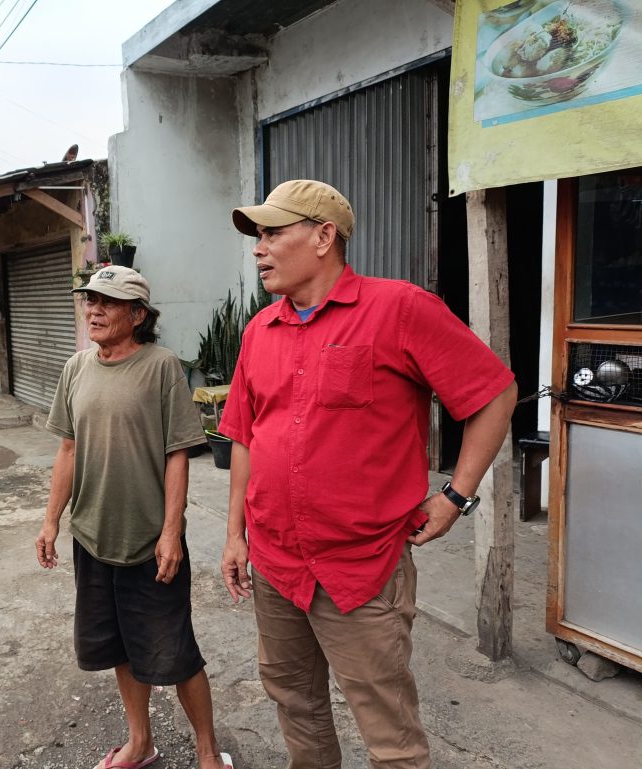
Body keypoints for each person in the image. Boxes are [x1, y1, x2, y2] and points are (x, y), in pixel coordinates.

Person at [219, 180, 517, 769]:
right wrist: (234, 534)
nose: (259, 247)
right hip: (277, 563)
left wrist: (456, 496)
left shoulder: (398, 309)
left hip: (360, 568)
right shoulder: (260, 330)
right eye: (258, 235)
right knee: (294, 701)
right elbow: (245, 436)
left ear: (324, 236)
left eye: (274, 232)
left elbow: (494, 394)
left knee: (388, 730)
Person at [36, 265, 233, 769]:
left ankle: (209, 752)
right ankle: (140, 742)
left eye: (107, 302)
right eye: (90, 300)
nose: (93, 310)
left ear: (138, 314)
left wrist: (172, 532)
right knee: (119, 645)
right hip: (94, 536)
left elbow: (178, 454)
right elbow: (68, 448)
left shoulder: (162, 366)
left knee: (176, 651)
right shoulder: (77, 368)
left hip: (150, 540)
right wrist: (51, 521)